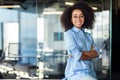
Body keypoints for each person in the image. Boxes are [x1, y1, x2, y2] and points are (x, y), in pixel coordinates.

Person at [60, 1, 99, 80]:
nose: (78, 19)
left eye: (81, 16)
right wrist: (87, 54)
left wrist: (81, 52)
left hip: (90, 72)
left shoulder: (88, 36)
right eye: (75, 16)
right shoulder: (69, 34)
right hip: (76, 73)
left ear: (85, 17)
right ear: (70, 19)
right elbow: (77, 54)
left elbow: (97, 53)